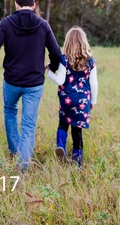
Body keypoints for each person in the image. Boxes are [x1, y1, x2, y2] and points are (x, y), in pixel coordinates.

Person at [0, 0, 62, 170]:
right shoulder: (43, 25)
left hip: (11, 80)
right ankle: (23, 165)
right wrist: (53, 66)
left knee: (10, 111)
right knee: (28, 124)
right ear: (33, 6)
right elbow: (56, 52)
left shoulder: (6, 23)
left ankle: (14, 150)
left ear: (16, 5)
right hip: (34, 83)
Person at [46, 27, 99, 168]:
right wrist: (93, 101)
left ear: (68, 42)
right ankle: (77, 164)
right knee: (77, 131)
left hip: (67, 100)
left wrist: (49, 72)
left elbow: (60, 80)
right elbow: (94, 83)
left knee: (63, 123)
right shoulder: (90, 61)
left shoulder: (65, 59)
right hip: (82, 101)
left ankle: (61, 146)